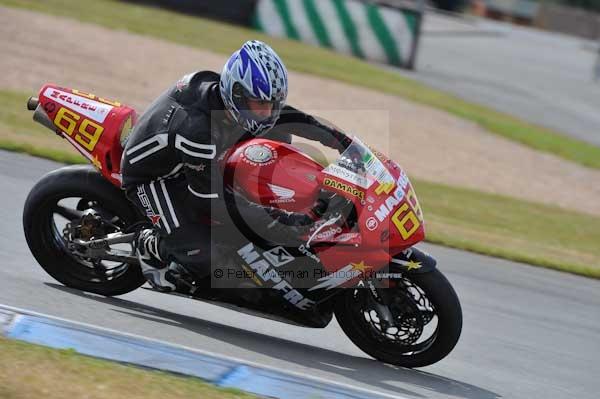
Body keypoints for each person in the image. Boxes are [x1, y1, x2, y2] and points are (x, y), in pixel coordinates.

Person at [121, 40, 351, 291]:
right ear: (237, 93)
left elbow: (290, 117)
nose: (267, 112)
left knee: (278, 138)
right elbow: (211, 201)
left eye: (272, 104)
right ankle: (149, 244)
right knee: (204, 259)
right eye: (260, 104)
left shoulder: (230, 98)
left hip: (195, 160)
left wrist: (341, 141)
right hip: (155, 178)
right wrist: (282, 221)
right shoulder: (197, 131)